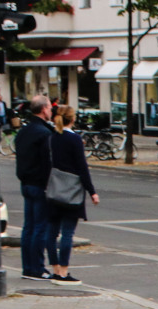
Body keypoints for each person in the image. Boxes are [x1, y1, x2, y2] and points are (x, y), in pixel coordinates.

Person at [45, 106, 99, 285]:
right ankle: (64, 272)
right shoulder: (75, 139)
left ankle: (54, 269)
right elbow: (82, 168)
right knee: (67, 232)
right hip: (71, 190)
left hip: (54, 188)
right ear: (72, 119)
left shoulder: (52, 137)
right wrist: (92, 191)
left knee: (51, 232)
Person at [16, 94, 55, 281]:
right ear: (43, 109)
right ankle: (38, 268)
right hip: (40, 184)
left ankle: (27, 267)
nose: (52, 110)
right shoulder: (45, 133)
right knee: (40, 227)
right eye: (49, 107)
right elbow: (48, 162)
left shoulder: (24, 131)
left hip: (26, 182)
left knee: (28, 227)